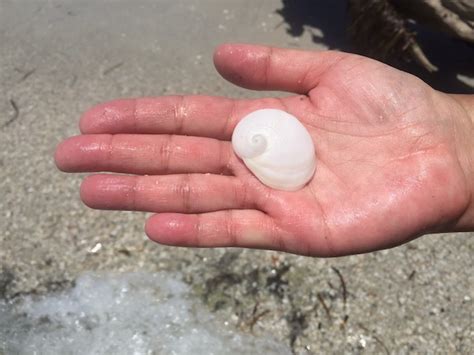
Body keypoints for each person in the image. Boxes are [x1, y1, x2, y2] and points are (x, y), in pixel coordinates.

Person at [54, 43, 474, 257]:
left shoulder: (261, 142)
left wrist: (457, 137)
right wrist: (459, 135)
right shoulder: (260, 140)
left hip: (270, 146)